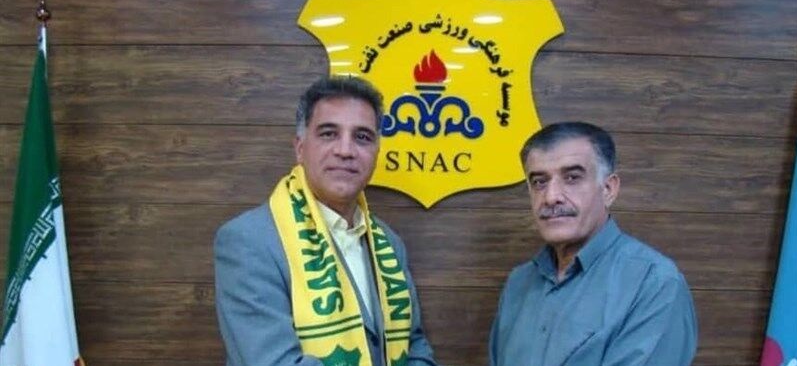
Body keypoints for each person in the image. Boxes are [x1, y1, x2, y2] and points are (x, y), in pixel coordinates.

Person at [214, 77, 438, 366]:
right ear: (300, 148)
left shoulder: (389, 243)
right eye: (329, 134)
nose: (345, 150)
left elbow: (414, 344)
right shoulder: (249, 241)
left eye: (362, 137)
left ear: (376, 153)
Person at [489, 122, 698, 366]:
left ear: (608, 189)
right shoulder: (519, 282)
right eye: (539, 182)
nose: (551, 197)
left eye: (572, 178)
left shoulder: (654, 283)